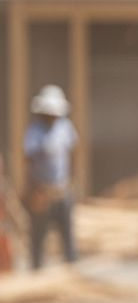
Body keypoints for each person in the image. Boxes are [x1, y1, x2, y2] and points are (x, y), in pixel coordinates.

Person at [23, 85, 79, 269]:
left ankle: (71, 271)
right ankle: (37, 270)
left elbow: (72, 155)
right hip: (42, 191)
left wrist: (72, 180)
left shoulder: (65, 128)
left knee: (67, 235)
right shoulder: (34, 132)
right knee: (39, 236)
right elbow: (29, 161)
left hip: (62, 189)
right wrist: (32, 190)